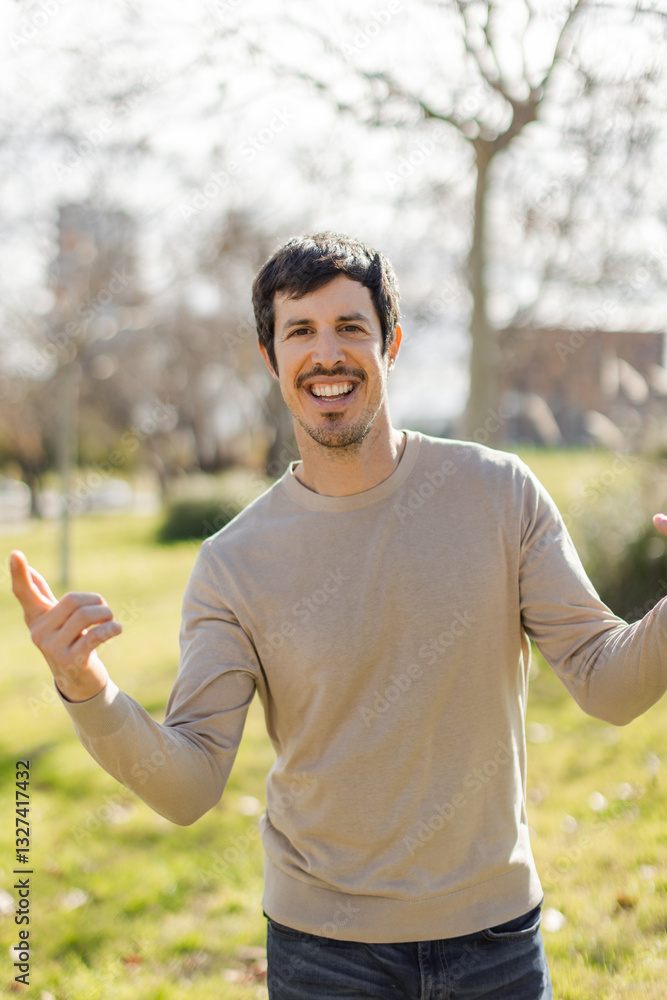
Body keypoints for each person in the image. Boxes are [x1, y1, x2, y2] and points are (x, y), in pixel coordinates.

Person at [10, 232, 667, 1000]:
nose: (327, 354)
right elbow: (187, 787)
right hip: (323, 958)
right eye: (301, 331)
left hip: (494, 941)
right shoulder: (233, 563)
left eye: (350, 327)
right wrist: (87, 688)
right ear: (271, 357)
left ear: (391, 343)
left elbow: (607, 685)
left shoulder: (499, 493)